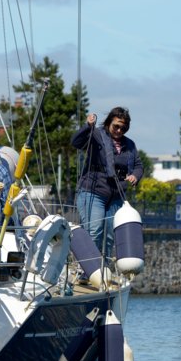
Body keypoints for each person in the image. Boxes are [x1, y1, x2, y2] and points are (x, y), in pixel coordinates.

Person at [71, 106, 143, 256]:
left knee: (110, 235)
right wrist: (87, 127)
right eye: (116, 126)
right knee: (95, 230)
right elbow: (76, 142)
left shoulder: (130, 145)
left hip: (117, 195)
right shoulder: (96, 135)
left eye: (123, 128)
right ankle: (88, 269)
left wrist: (135, 176)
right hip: (93, 190)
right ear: (109, 122)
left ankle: (106, 270)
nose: (119, 130)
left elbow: (138, 166)